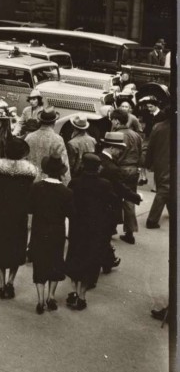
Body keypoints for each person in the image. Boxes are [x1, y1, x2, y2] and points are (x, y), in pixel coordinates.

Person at [0, 137, 37, 300]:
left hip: (0, 214)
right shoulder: (28, 174)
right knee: (16, 248)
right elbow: (30, 198)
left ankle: (1, 285)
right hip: (18, 216)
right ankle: (10, 282)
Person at [65, 153, 117, 311]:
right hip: (95, 228)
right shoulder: (105, 184)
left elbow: (69, 204)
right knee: (89, 260)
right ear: (98, 168)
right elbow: (112, 203)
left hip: (77, 227)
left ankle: (74, 292)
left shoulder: (75, 183)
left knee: (75, 257)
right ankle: (82, 295)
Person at [28, 155, 74, 314]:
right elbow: (70, 213)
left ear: (46, 171)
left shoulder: (36, 187)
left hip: (39, 230)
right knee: (55, 262)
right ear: (61, 173)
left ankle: (40, 299)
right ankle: (51, 296)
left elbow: (30, 209)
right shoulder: (67, 192)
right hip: (57, 232)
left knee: (39, 263)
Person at [98, 131, 142, 273]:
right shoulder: (113, 168)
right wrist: (136, 197)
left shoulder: (97, 159)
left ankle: (109, 260)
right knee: (104, 236)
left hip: (94, 205)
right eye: (119, 149)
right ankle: (107, 262)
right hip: (108, 207)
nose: (121, 152)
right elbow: (120, 188)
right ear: (112, 148)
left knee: (100, 236)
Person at [110, 109, 144, 244]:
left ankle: (111, 228)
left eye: (113, 120)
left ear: (117, 121)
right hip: (133, 170)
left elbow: (114, 154)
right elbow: (141, 153)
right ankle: (130, 232)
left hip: (120, 169)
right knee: (130, 199)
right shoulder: (136, 135)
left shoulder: (116, 135)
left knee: (114, 199)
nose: (112, 122)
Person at [24, 106, 71, 185]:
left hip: (29, 180)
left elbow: (23, 159)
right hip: (47, 183)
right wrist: (65, 185)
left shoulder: (29, 137)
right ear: (54, 122)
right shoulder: (57, 139)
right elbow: (64, 164)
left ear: (40, 120)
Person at [144, 109, 171, 229]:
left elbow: (150, 147)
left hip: (160, 163)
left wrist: (148, 163)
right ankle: (152, 220)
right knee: (165, 189)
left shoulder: (158, 127)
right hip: (170, 163)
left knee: (165, 188)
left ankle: (172, 211)